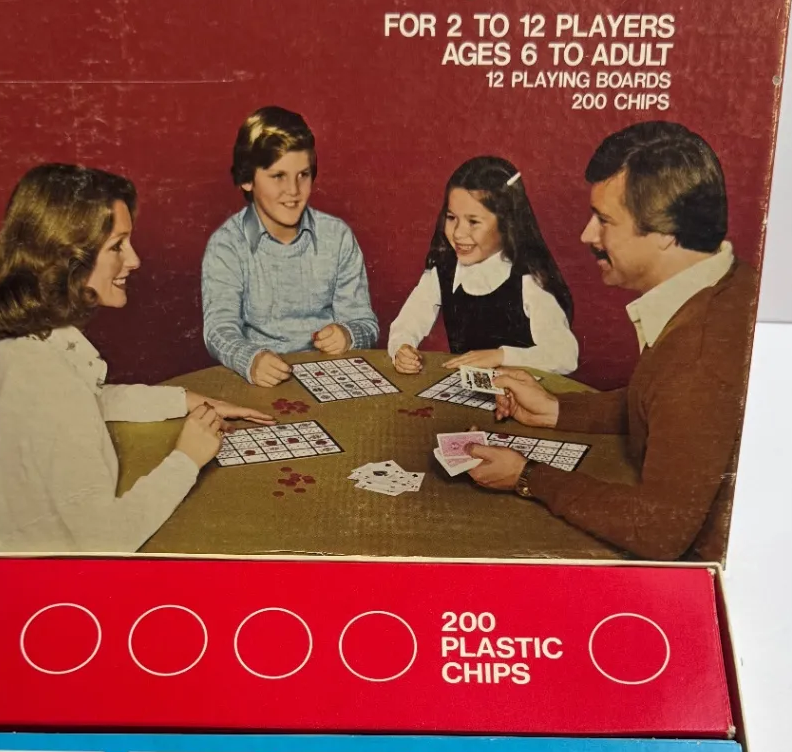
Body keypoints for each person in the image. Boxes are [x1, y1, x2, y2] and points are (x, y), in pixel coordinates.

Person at [466, 122, 756, 561]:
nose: (587, 235)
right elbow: (662, 404)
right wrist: (557, 410)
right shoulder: (727, 283)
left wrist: (528, 476)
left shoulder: (698, 359)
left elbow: (657, 530)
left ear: (666, 232)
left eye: (604, 220)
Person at [0, 163, 269, 551]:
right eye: (117, 246)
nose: (134, 260)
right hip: (62, 578)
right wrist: (187, 457)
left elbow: (89, 399)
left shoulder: (23, 350)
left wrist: (183, 399)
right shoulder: (48, 381)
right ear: (67, 257)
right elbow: (108, 540)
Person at [202, 105, 379, 386]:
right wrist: (251, 359)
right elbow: (218, 330)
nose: (294, 191)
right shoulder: (226, 245)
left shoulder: (337, 236)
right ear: (247, 179)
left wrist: (348, 334)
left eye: (303, 175)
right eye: (278, 176)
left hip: (330, 378)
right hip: (261, 383)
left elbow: (365, 322)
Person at [388, 156, 578, 375]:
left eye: (473, 222)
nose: (458, 233)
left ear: (507, 223)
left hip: (524, 391)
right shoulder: (443, 271)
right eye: (451, 218)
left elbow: (565, 356)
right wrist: (402, 347)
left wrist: (500, 356)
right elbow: (407, 323)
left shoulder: (528, 280)